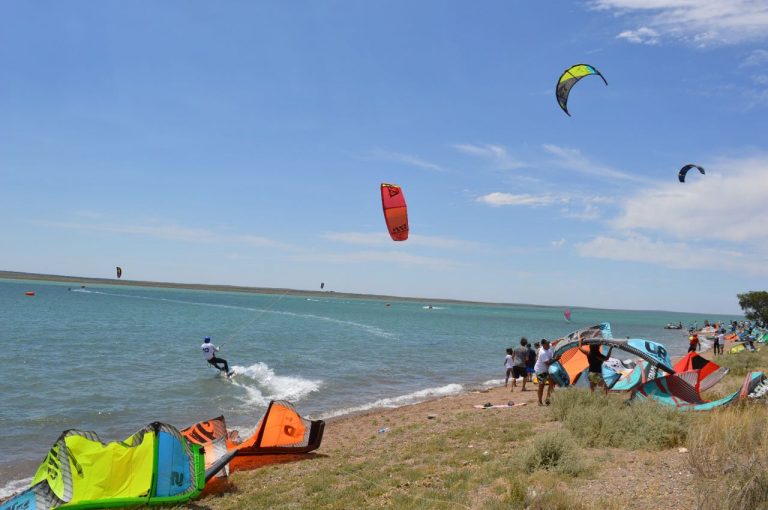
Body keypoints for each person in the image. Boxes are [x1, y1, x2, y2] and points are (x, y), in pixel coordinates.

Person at [534, 339, 555, 406]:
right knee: (541, 386)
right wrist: (556, 359)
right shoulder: (542, 352)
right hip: (540, 371)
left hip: (547, 370)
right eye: (547, 344)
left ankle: (547, 399)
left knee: (552, 383)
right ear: (543, 345)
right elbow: (548, 363)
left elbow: (553, 343)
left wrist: (560, 340)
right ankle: (539, 401)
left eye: (548, 343)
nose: (549, 344)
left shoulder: (548, 347)